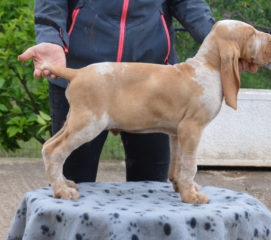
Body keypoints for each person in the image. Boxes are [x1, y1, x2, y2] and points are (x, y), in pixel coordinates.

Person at [18, 0, 255, 184]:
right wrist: (51, 38)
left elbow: (188, 3)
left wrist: (224, 45)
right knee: (72, 182)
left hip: (154, 85)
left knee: (151, 187)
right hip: (82, 76)